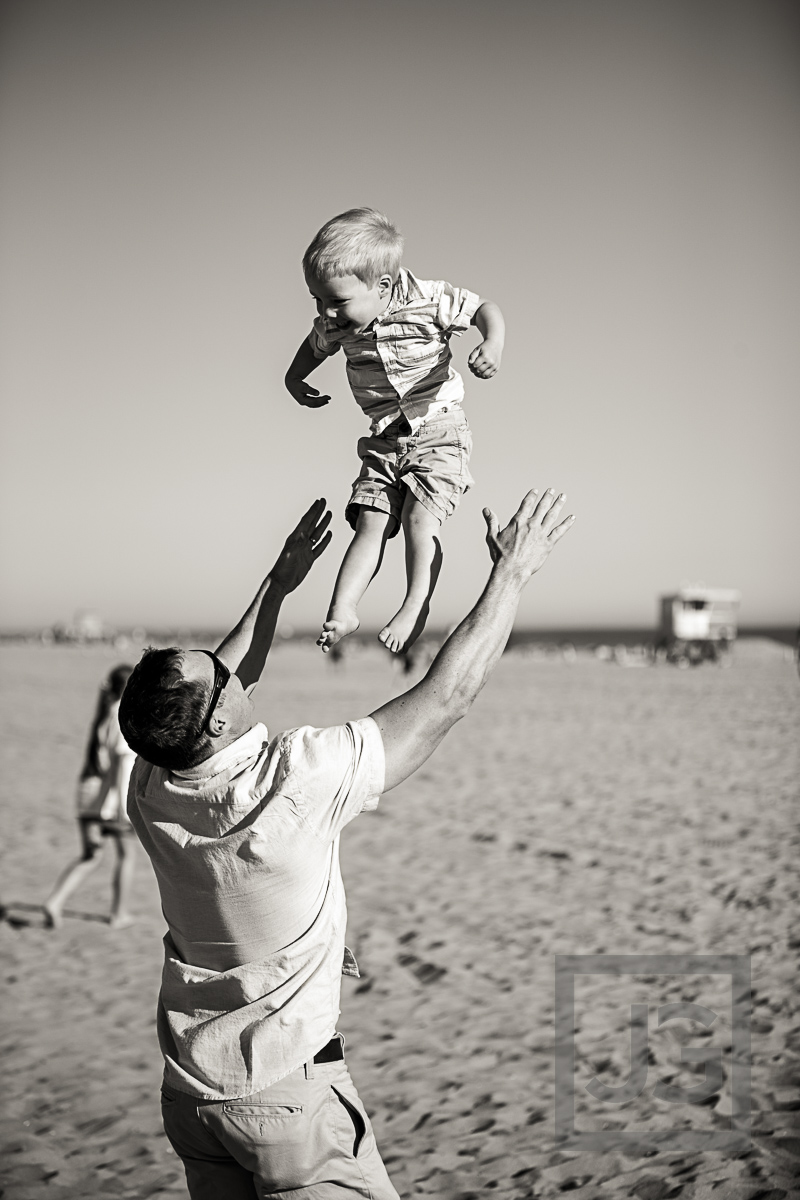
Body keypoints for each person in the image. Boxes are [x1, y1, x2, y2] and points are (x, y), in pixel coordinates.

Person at [118, 488, 573, 1198]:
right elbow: (445, 698)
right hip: (284, 1101)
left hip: (191, 1095)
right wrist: (511, 573)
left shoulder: (150, 785)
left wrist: (279, 581)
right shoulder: (293, 779)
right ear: (213, 725)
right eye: (220, 674)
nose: (232, 665)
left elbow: (216, 687)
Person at [285, 208, 506, 656]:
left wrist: (493, 341)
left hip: (439, 429)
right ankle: (344, 608)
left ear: (381, 287)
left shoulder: (429, 298)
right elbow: (312, 349)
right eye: (317, 300)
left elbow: (485, 308)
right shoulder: (335, 321)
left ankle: (415, 605)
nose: (326, 313)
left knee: (419, 520)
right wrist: (293, 379)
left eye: (337, 302)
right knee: (369, 521)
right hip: (385, 438)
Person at [43, 664, 137, 930]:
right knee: (126, 853)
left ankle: (55, 901)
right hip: (110, 801)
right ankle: (119, 913)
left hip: (88, 795)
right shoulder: (122, 717)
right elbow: (122, 762)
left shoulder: (103, 714)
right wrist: (124, 807)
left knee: (91, 856)